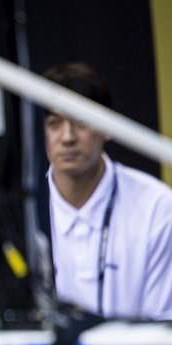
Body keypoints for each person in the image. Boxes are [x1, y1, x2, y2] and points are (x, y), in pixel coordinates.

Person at [40, 62, 172, 319]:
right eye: (54, 123)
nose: (67, 137)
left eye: (81, 122)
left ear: (108, 127)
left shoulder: (158, 208)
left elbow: (161, 335)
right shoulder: (23, 209)